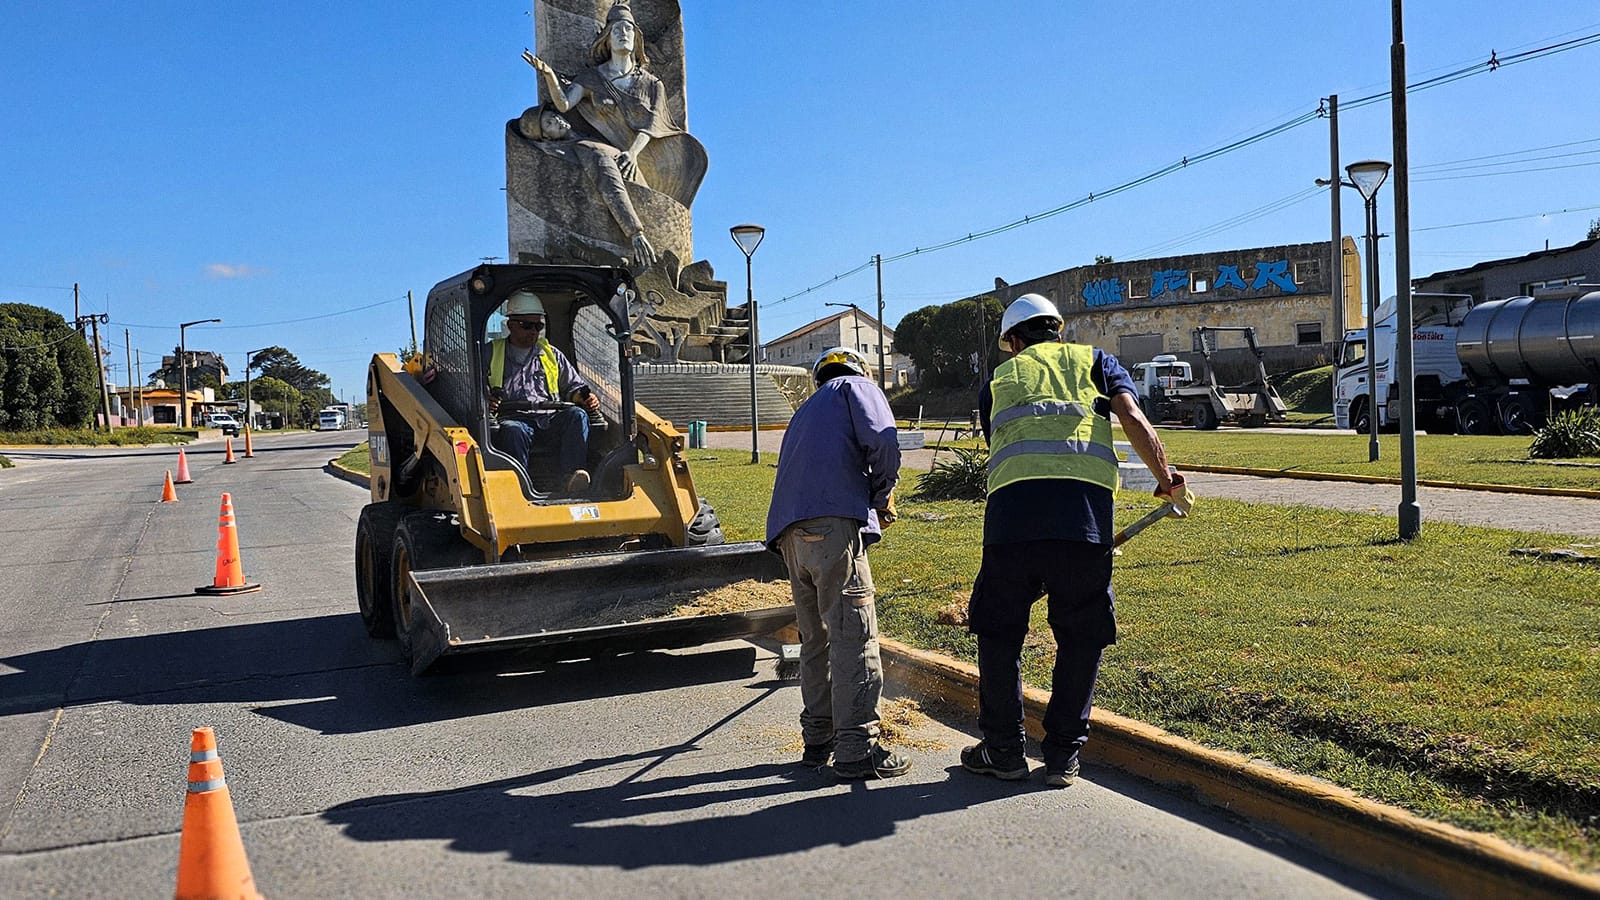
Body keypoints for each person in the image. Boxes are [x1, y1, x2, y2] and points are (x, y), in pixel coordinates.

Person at [960, 294, 1185, 788]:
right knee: (1081, 635)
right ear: (1057, 331)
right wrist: (1166, 477)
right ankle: (1061, 756)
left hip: (1010, 525)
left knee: (1000, 635)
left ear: (1014, 341)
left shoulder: (998, 381)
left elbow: (996, 442)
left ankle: (1003, 751)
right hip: (1083, 524)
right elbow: (1131, 417)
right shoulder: (1096, 362)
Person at [766, 347, 910, 780]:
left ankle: (818, 738)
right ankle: (857, 748)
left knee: (815, 639)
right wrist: (882, 494)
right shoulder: (857, 387)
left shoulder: (806, 408)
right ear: (858, 369)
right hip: (830, 527)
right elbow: (883, 439)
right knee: (853, 634)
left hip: (791, 536)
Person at [523, 1, 688, 271]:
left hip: (636, 162)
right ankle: (633, 236)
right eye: (616, 30)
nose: (623, 33)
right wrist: (549, 75)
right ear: (607, 39)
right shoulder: (591, 78)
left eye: (628, 29)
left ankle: (639, 245)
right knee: (595, 154)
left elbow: (651, 125)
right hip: (606, 154)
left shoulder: (651, 84)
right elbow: (564, 104)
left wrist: (633, 153)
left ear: (636, 39)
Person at [484, 289, 602, 495]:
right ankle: (519, 486)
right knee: (512, 429)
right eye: (526, 326)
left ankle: (572, 478)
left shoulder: (550, 353)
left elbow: (572, 386)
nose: (533, 331)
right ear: (510, 324)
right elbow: (474, 386)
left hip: (550, 419)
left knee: (577, 415)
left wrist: (585, 398)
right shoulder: (491, 352)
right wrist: (486, 399)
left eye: (538, 326)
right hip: (515, 419)